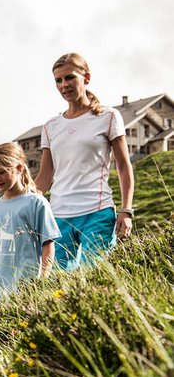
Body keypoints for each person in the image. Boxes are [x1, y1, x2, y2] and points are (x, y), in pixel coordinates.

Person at [34, 53, 134, 270]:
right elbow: (44, 175)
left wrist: (126, 210)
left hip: (97, 211)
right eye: (58, 80)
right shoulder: (50, 126)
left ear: (86, 77)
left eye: (69, 77)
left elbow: (124, 167)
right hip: (59, 215)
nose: (64, 85)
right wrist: (23, 206)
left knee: (96, 276)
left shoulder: (108, 117)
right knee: (58, 282)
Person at [0, 143, 61, 301]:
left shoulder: (36, 202)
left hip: (26, 287)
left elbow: (48, 244)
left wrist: (43, 279)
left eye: (1, 172)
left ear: (19, 168)